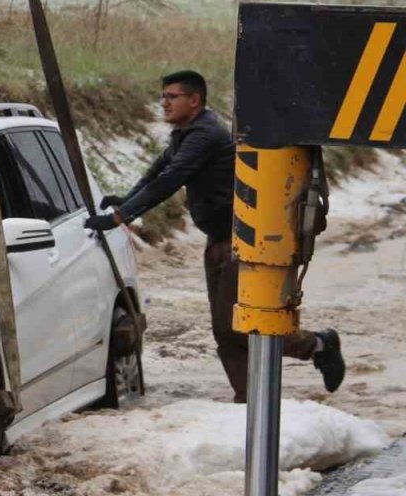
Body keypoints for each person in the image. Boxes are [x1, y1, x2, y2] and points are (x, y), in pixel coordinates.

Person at [83, 70, 345, 403]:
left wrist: (122, 216)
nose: (163, 102)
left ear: (194, 100)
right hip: (218, 240)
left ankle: (317, 345)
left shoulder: (206, 134)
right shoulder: (184, 134)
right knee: (224, 330)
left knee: (236, 325)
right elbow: (158, 171)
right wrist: (125, 200)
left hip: (244, 240)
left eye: (171, 96)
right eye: (162, 96)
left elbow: (172, 178)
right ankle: (249, 401)